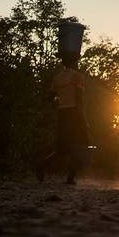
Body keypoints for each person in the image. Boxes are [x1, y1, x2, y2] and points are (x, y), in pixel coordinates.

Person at [37, 52, 89, 185]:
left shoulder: (57, 78)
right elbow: (79, 98)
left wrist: (57, 106)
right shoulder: (78, 76)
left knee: (62, 147)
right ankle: (70, 178)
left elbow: (50, 97)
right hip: (74, 113)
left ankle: (42, 164)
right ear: (74, 62)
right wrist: (83, 118)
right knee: (79, 145)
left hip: (62, 113)